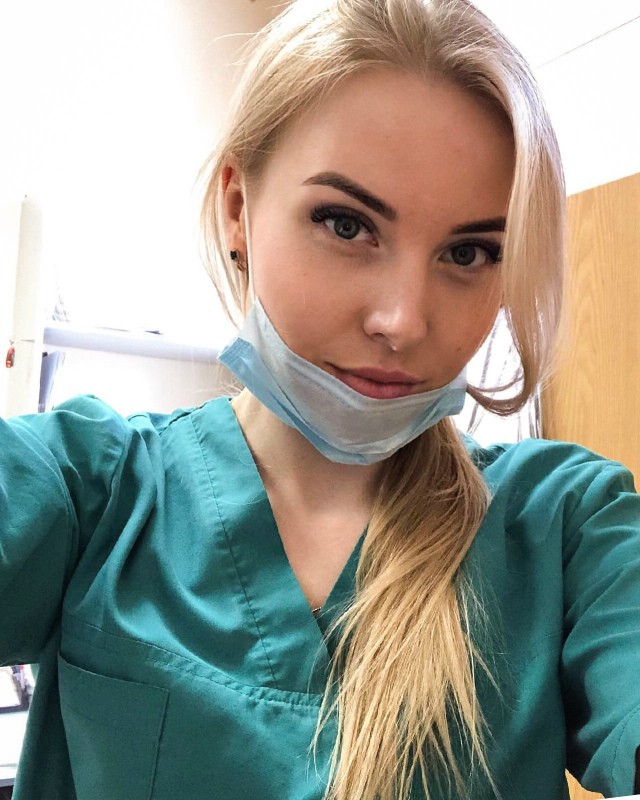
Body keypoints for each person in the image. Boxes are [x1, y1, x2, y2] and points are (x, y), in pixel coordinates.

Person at [1, 0, 639, 798]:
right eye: (345, 224)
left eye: (469, 252)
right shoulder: (88, 494)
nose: (403, 320)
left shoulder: (566, 528)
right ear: (238, 209)